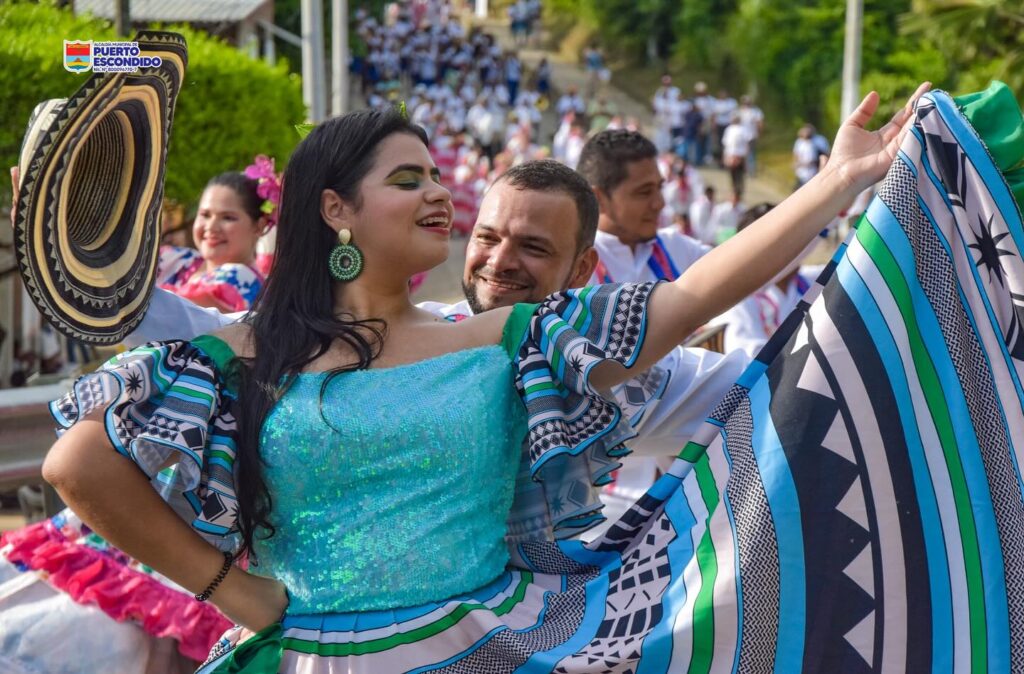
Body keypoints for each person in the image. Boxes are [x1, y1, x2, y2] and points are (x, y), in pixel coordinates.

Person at [39, 90, 922, 671]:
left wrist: (838, 182)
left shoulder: (509, 341)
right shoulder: (241, 352)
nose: (437, 196)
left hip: (480, 649)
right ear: (335, 207)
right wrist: (232, 589)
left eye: (435, 176)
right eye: (407, 178)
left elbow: (690, 297)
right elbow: (78, 465)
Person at [157, 171, 272, 313]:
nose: (211, 227)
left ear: (259, 226)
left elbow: (164, 312)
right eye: (205, 215)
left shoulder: (242, 280)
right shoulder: (176, 260)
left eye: (228, 218)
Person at [710, 202, 812, 357]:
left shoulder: (809, 281)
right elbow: (753, 362)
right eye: (787, 240)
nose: (800, 245)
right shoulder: (737, 303)